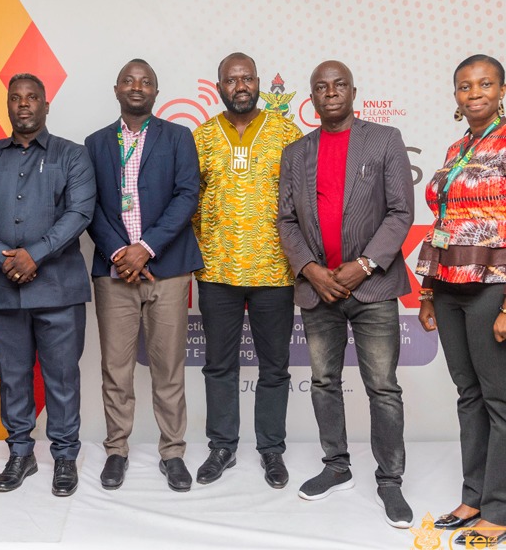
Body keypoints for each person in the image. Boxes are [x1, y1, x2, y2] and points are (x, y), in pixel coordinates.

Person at [277, 60, 415, 528]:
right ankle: (336, 466)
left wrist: (363, 266)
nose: (330, 92)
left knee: (383, 386)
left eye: (338, 85)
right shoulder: (296, 152)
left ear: (354, 91)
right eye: (321, 87)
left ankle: (390, 481)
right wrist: (312, 271)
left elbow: (399, 213)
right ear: (311, 98)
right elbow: (286, 221)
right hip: (320, 291)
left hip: (373, 287)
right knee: (323, 382)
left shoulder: (385, 140)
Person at [0, 73, 96, 496]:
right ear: (8, 106)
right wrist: (4, 256)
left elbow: (79, 214)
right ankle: (20, 453)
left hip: (59, 289)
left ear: (46, 105)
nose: (24, 104)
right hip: (4, 290)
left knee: (61, 377)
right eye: (16, 98)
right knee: (13, 377)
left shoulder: (72, 155)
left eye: (32, 97)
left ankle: (64, 457)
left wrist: (33, 254)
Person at [85, 59, 202, 492]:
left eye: (146, 81)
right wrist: (120, 253)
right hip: (114, 273)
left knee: (168, 368)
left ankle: (172, 453)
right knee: (115, 369)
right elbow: (88, 204)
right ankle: (116, 450)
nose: (137, 87)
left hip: (167, 270)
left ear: (157, 91)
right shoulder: (94, 143)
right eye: (129, 81)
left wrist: (145, 249)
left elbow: (186, 195)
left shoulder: (177, 137)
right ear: (116, 88)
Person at [193, 52, 303, 489]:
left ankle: (271, 450)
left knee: (274, 366)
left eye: (247, 78)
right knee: (219, 365)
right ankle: (222, 446)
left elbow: (301, 199)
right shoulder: (201, 136)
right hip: (216, 268)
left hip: (275, 270)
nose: (240, 86)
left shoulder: (286, 131)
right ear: (218, 86)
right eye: (230, 79)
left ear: (258, 82)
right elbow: (189, 202)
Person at [417, 54, 506, 546]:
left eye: (485, 83)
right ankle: (473, 496)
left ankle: (499, 507)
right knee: (468, 395)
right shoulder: (457, 148)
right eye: (465, 86)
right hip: (449, 286)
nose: (474, 93)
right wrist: (429, 291)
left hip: (494, 285)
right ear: (455, 96)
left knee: (498, 400)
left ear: (501, 90)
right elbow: (441, 225)